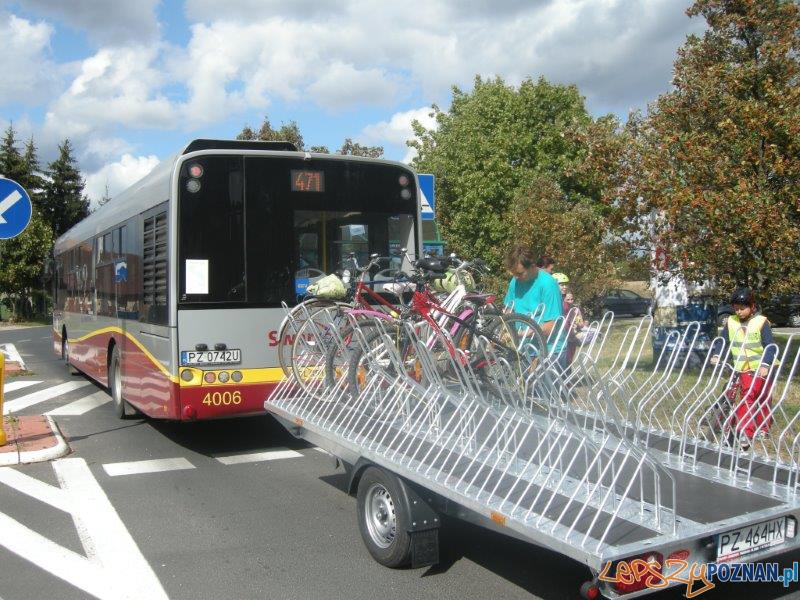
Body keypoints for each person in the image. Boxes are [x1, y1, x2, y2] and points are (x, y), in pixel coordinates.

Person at [712, 287, 777, 450]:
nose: (739, 312)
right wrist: (717, 354)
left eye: (742, 308)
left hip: (764, 367)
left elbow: (770, 346)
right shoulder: (731, 322)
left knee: (764, 398)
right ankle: (745, 432)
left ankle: (763, 428)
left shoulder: (761, 322)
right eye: (736, 308)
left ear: (752, 306)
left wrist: (765, 364)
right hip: (744, 369)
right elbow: (723, 341)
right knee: (748, 397)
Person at [504, 245, 565, 368]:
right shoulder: (515, 281)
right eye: (513, 273)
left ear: (532, 266)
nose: (516, 277)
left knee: (544, 382)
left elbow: (551, 326)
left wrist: (521, 334)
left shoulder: (548, 284)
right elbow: (508, 312)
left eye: (520, 273)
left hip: (550, 350)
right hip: (525, 349)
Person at [553, 272, 585, 366]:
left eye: (565, 284)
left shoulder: (565, 301)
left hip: (568, 334)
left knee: (568, 360)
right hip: (558, 334)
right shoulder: (555, 299)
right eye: (561, 284)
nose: (564, 287)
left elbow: (571, 318)